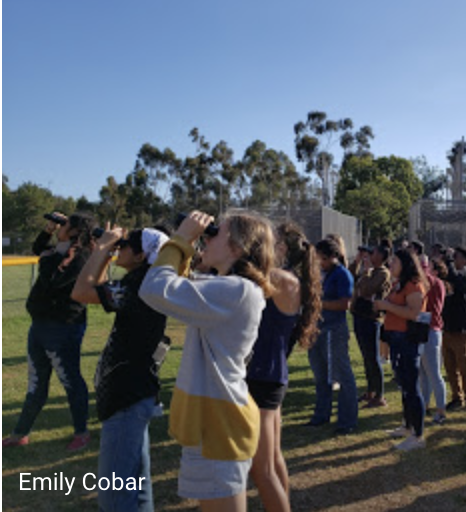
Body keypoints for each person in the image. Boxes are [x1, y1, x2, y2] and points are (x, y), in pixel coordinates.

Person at [139, 210, 273, 511]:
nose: (206, 238)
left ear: (237, 248)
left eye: (215, 233)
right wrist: (184, 247)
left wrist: (182, 239)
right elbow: (180, 282)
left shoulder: (236, 289)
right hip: (215, 419)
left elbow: (155, 289)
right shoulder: (228, 287)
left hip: (220, 424)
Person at [71, 225, 171, 511]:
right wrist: (102, 251)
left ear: (141, 255)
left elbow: (81, 292)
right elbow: (98, 288)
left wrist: (103, 248)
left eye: (125, 244)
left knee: (115, 496)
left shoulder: (137, 287)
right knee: (137, 487)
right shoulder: (144, 281)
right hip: (134, 394)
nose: (120, 248)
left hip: (126, 398)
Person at [4, 211, 95, 451]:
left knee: (70, 381)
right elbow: (38, 248)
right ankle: (20, 433)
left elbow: (52, 279)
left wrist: (48, 257)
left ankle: (81, 433)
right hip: (41, 325)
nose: (60, 227)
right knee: (36, 383)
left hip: (63, 327)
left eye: (65, 225)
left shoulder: (82, 256)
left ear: (75, 232)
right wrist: (48, 231)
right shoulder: (60, 248)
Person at [247, 222, 322, 512]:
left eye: (266, 243)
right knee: (272, 460)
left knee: (261, 469)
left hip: (264, 376)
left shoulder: (281, 279)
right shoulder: (287, 279)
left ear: (280, 249)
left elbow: (242, 274)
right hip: (269, 374)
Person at [373, 249, 429, 451]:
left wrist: (386, 306)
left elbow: (414, 313)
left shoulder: (414, 285)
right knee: (405, 386)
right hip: (396, 339)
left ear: (405, 264)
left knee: (412, 388)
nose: (391, 265)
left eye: (394, 261)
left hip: (407, 339)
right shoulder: (399, 284)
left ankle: (418, 435)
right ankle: (407, 426)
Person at [306, 237, 358, 434]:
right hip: (318, 328)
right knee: (320, 375)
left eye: (322, 259)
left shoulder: (342, 275)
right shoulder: (322, 273)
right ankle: (321, 415)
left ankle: (347, 421)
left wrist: (318, 303)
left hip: (334, 330)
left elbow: (345, 304)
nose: (319, 262)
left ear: (332, 257)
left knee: (342, 375)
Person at [409, 241, 448, 425]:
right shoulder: (425, 282)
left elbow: (436, 309)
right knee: (422, 373)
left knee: (433, 373)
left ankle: (441, 410)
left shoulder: (434, 282)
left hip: (431, 330)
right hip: (421, 330)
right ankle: (424, 405)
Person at [351, 244, 392, 408]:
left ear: (381, 256)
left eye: (373, 252)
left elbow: (368, 289)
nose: (369, 255)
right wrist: (358, 261)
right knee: (366, 357)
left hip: (371, 318)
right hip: (359, 314)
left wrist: (366, 272)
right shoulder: (370, 271)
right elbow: (352, 277)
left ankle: (380, 395)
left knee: (373, 358)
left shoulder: (383, 273)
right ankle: (370, 391)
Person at [442, 246, 466, 413]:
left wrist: (448, 262)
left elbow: (458, 285)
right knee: (450, 367)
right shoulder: (448, 273)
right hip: (447, 327)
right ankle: (457, 397)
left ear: (464, 260)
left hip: (461, 328)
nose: (453, 259)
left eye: (456, 256)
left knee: (464, 366)